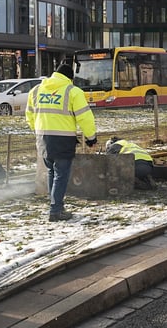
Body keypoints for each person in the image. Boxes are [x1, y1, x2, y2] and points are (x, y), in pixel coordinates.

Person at [26, 63, 97, 222]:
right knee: (61, 175)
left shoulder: (36, 90)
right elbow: (84, 117)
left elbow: (30, 116)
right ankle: (56, 210)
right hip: (63, 139)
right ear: (70, 78)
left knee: (52, 172)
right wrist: (91, 137)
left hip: (43, 138)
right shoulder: (72, 91)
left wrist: (39, 131)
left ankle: (56, 206)